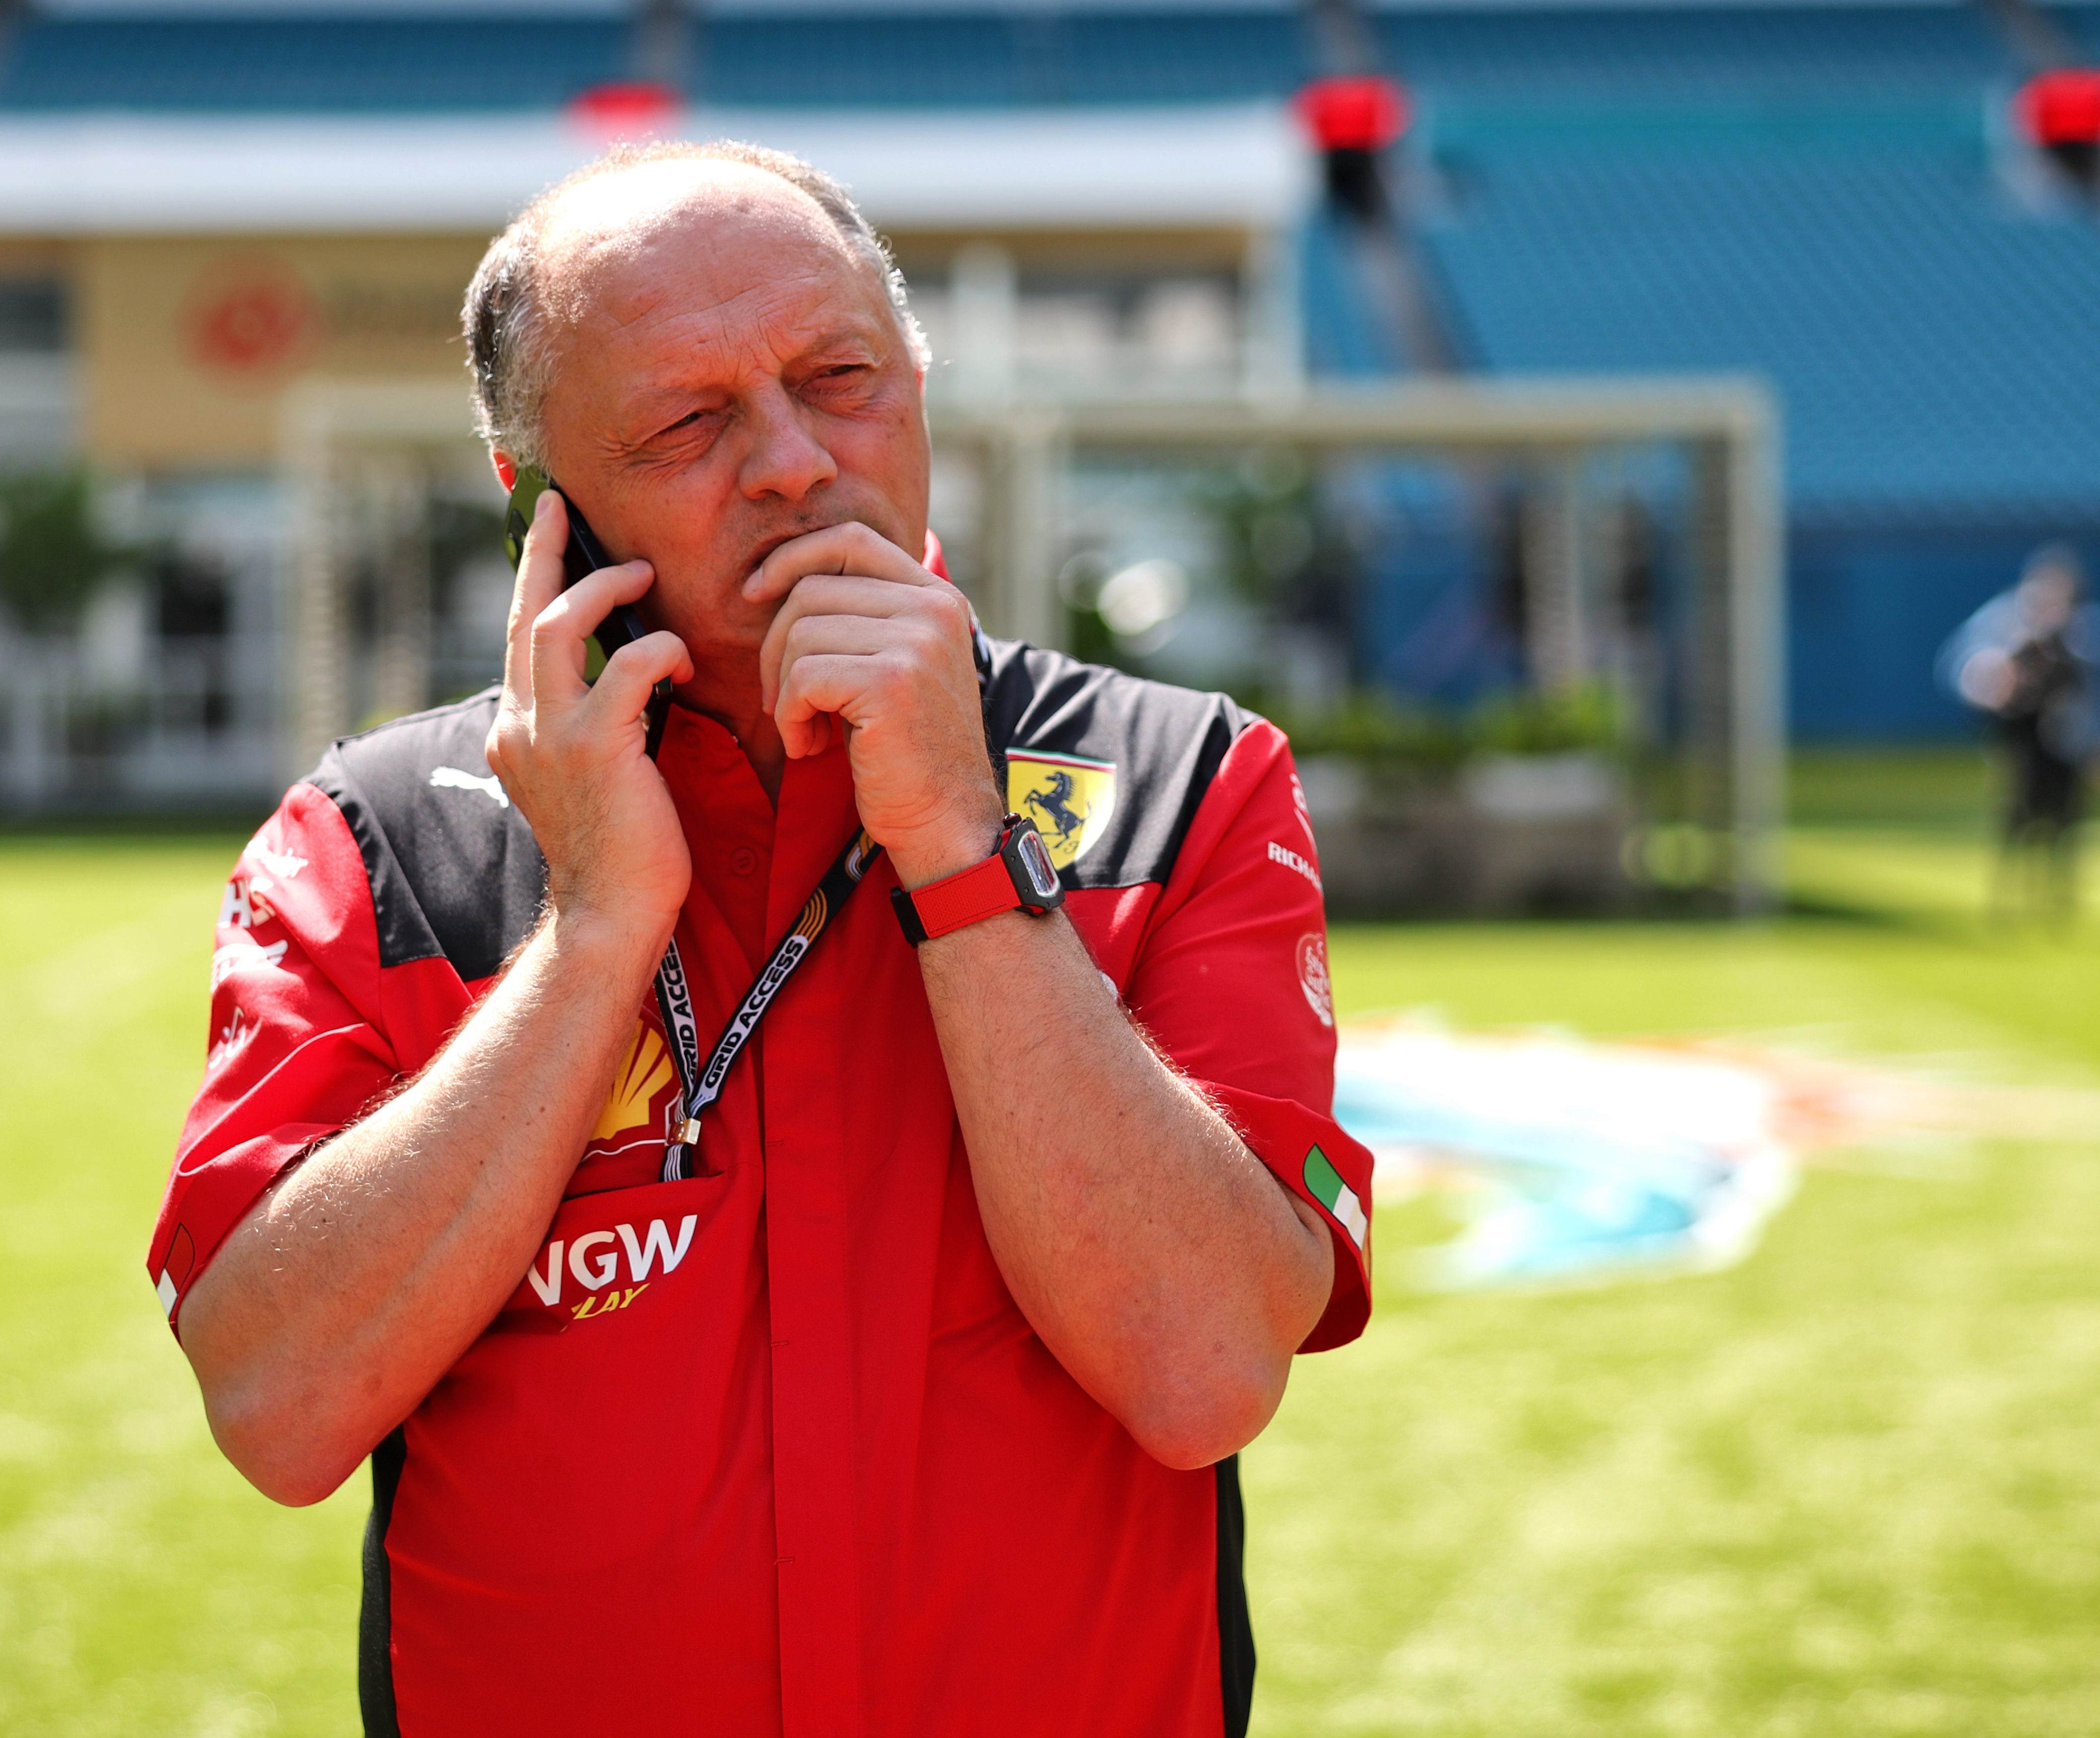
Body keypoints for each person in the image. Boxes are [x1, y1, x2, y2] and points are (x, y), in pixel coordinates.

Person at [145, 140, 1372, 1737]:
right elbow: (279, 1406)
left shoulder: (1183, 783)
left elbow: (1207, 1369)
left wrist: (956, 843)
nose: (794, 460)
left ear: (919, 389)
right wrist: (593, 935)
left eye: (841, 377)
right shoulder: (382, 841)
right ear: (545, 510)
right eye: (688, 421)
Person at [1938, 545, 2100, 930]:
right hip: (2020, 738)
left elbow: (2098, 694)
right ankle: (2005, 897)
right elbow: (1961, 666)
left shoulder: (2085, 631)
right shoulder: (2004, 622)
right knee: (2015, 815)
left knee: (2065, 821)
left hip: (2067, 741)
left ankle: (2055, 900)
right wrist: (1997, 680)